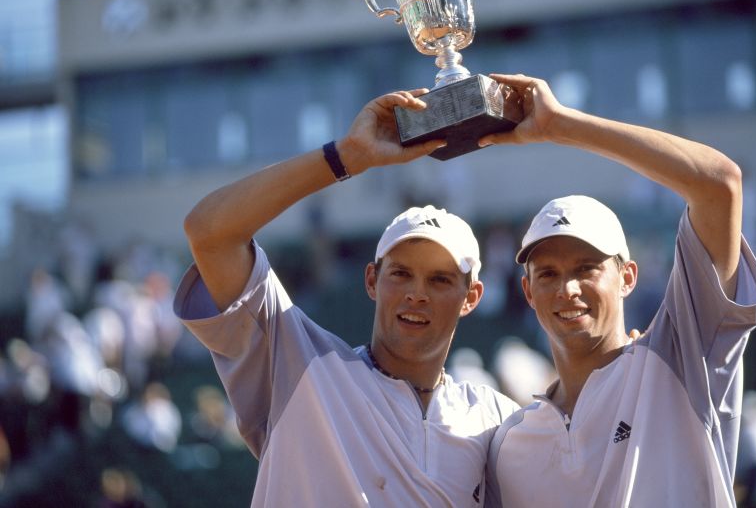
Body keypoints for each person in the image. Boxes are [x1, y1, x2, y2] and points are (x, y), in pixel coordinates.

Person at [173, 88, 521, 506]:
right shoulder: (296, 365)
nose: (416, 294)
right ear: (372, 281)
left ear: (472, 297)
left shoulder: (497, 420)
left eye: (441, 281)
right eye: (401, 274)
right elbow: (209, 232)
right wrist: (346, 158)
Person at [482, 73, 756, 507]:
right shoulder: (508, 443)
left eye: (587, 267)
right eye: (548, 274)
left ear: (628, 276)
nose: (568, 288)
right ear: (527, 290)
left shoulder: (682, 360)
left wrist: (561, 126)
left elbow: (719, 184)